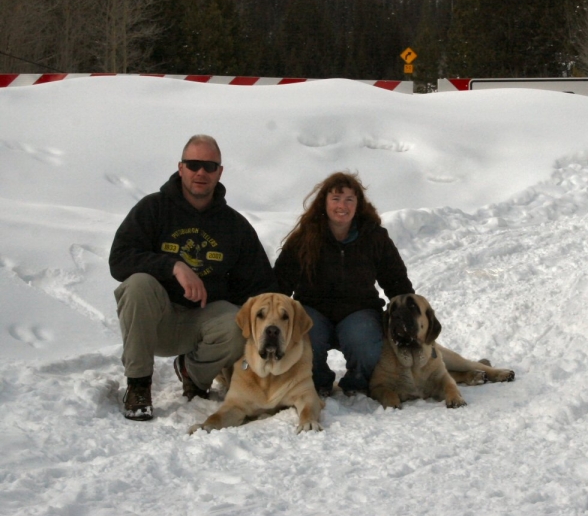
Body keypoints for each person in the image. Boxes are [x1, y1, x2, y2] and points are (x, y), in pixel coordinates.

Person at [109, 134, 277, 421]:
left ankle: (194, 374)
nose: (201, 172)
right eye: (194, 164)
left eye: (209, 166)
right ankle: (138, 385)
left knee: (240, 323)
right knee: (137, 284)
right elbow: (120, 259)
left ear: (219, 172)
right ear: (181, 167)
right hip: (154, 321)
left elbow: (261, 285)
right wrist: (172, 266)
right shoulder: (153, 209)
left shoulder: (234, 225)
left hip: (203, 323)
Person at [274, 172, 414, 397]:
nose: (343, 205)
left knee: (366, 343)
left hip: (358, 310)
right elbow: (280, 283)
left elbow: (396, 279)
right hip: (313, 311)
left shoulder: (374, 237)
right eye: (336, 199)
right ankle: (317, 380)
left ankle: (357, 383)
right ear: (324, 202)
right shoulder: (305, 237)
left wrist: (407, 308)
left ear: (358, 204)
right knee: (304, 340)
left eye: (350, 199)